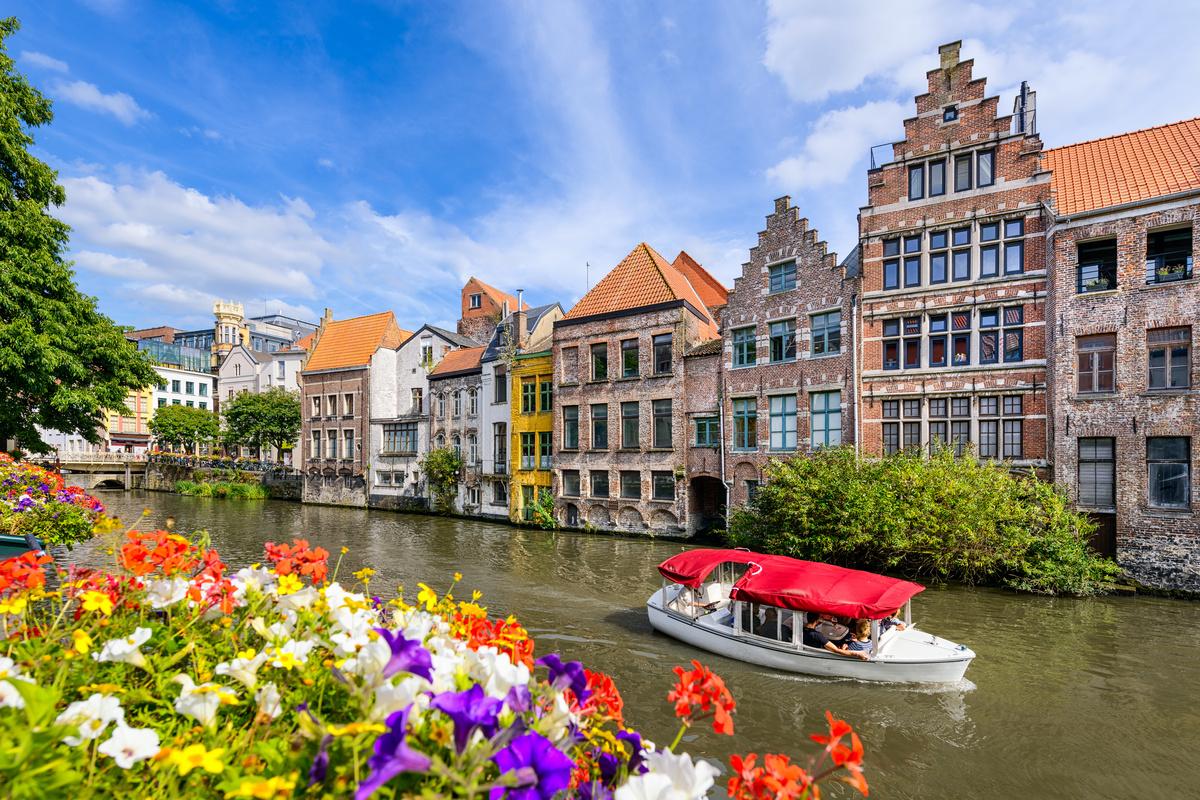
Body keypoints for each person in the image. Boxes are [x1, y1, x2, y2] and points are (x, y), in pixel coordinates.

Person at [802, 613, 870, 660]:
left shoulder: (801, 631)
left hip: (808, 651)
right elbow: (836, 650)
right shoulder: (817, 635)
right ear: (817, 621)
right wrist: (857, 654)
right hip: (820, 655)